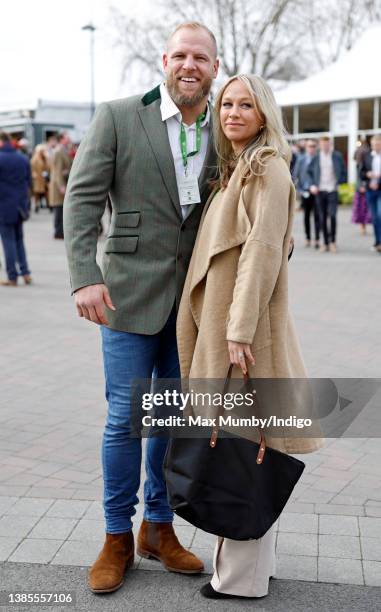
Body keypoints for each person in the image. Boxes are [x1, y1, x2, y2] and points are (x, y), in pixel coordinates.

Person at [63, 21, 219, 594]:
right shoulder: (119, 114)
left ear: (214, 68)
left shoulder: (225, 125)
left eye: (200, 58)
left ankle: (158, 528)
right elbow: (81, 198)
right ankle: (115, 536)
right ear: (164, 60)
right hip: (126, 294)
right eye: (180, 54)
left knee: (171, 421)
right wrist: (84, 276)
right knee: (126, 420)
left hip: (194, 305)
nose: (189, 65)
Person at [176, 74, 323, 600]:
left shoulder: (267, 170)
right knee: (244, 442)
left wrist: (238, 331)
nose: (233, 112)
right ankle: (254, 569)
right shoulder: (239, 169)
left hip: (243, 331)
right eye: (228, 104)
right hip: (230, 323)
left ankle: (239, 580)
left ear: (265, 115)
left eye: (246, 105)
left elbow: (260, 254)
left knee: (242, 450)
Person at [0, 131, 32, 286]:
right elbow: (29, 183)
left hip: (4, 206)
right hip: (21, 206)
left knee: (8, 242)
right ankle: (26, 273)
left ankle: (12, 276)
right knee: (19, 240)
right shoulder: (23, 158)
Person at [308, 136, 346, 252]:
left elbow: (344, 171)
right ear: (320, 145)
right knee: (322, 217)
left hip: (332, 190)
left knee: (333, 215)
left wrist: (340, 181)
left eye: (327, 144)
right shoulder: (316, 157)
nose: (325, 146)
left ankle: (333, 241)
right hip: (320, 190)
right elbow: (309, 172)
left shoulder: (337, 156)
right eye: (323, 144)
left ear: (330, 144)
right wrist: (312, 185)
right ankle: (325, 243)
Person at [292, 138, 320, 248]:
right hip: (305, 191)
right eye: (309, 146)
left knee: (318, 216)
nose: (311, 148)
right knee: (307, 216)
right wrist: (300, 190)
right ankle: (308, 238)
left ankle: (317, 239)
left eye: (313, 146)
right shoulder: (301, 159)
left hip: (317, 191)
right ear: (306, 147)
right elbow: (295, 175)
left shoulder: (318, 159)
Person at [360, 134, 381, 252]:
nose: (376, 146)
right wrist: (367, 175)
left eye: (378, 144)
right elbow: (361, 172)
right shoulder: (367, 156)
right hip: (370, 190)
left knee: (380, 214)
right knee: (375, 217)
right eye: (374, 144)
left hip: (380, 189)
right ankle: (377, 242)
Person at [49, 133, 72, 239]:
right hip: (59, 184)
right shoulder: (59, 151)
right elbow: (57, 170)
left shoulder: (62, 150)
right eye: (67, 138)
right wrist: (61, 186)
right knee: (59, 208)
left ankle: (59, 231)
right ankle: (58, 232)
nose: (69, 140)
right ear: (62, 139)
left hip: (60, 183)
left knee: (60, 208)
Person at [352, 140, 371, 235]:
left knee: (366, 208)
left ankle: (366, 225)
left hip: (366, 187)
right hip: (359, 188)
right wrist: (360, 186)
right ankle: (362, 226)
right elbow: (358, 177)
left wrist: (364, 186)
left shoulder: (367, 158)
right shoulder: (358, 164)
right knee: (361, 208)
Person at [31, 145, 50, 212]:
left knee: (46, 191)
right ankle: (37, 205)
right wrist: (34, 174)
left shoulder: (45, 158)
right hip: (38, 179)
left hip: (44, 178)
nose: (43, 152)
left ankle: (49, 205)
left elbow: (48, 167)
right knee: (37, 193)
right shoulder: (35, 158)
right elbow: (32, 168)